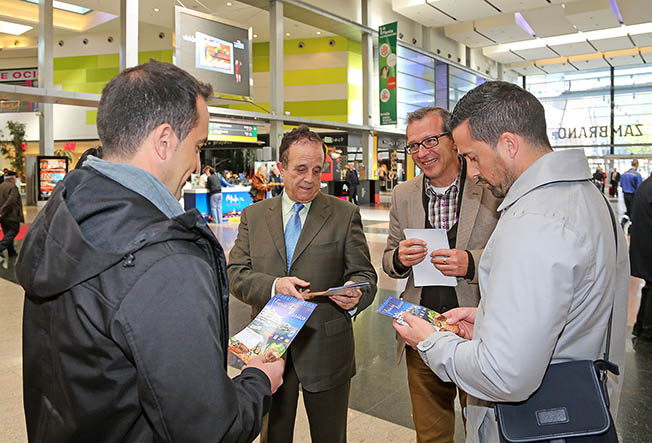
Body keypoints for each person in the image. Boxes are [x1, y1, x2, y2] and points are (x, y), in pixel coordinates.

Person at [16, 60, 284, 443]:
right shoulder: (166, 260)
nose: (196, 165)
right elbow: (208, 430)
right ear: (164, 141)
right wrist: (258, 382)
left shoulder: (63, 217)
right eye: (197, 147)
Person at [393, 81, 628, 442]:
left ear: (508, 144)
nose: (471, 171)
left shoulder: (534, 221)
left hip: (538, 425)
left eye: (472, 156)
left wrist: (430, 342)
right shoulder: (588, 198)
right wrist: (487, 320)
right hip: (583, 405)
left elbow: (504, 375)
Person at [228, 125, 378, 443]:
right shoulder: (254, 216)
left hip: (327, 349)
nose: (309, 179)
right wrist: (274, 286)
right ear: (281, 167)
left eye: (316, 170)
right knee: (273, 435)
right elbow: (236, 274)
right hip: (270, 351)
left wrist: (357, 294)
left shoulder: (344, 214)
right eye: (299, 169)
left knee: (330, 435)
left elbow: (366, 276)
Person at [382, 107, 501, 443]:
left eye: (430, 141)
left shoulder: (488, 186)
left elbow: (514, 253)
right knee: (431, 433)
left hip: (477, 335)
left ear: (453, 140)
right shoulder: (405, 194)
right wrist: (401, 259)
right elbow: (389, 260)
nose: (422, 152)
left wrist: (471, 262)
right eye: (414, 146)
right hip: (422, 332)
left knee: (485, 429)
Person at [630, 173, 652, 343]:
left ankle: (640, 327)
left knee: (648, 288)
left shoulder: (645, 185)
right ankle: (647, 331)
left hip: (643, 247)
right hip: (648, 247)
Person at [0, 171, 23, 268]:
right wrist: (2, 211)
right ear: (13, 178)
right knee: (14, 230)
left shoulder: (1, 186)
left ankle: (11, 251)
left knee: (7, 232)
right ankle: (1, 247)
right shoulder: (13, 187)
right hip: (11, 215)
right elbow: (11, 200)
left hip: (3, 216)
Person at [620, 159, 642, 227]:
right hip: (633, 195)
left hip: (625, 194)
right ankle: (631, 227)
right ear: (637, 165)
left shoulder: (624, 174)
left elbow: (621, 184)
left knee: (628, 210)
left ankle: (623, 223)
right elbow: (639, 187)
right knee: (634, 211)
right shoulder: (637, 175)